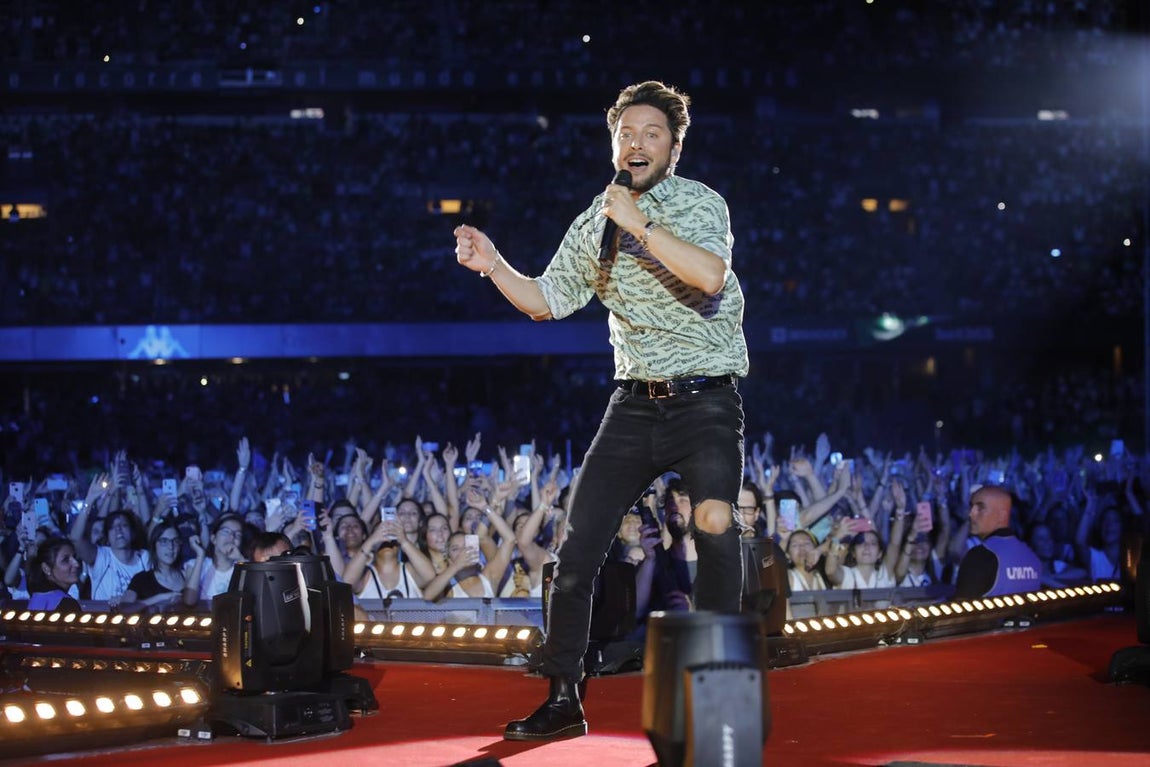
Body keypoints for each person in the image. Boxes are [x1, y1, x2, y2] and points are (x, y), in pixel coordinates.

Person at [455, 80, 748, 741]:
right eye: (625, 133)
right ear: (612, 143)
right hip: (633, 406)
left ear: (673, 144)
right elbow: (543, 300)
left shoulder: (699, 203)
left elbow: (709, 277)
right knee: (576, 548)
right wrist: (494, 264)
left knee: (717, 540)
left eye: (650, 133)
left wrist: (639, 224)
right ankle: (563, 696)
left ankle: (720, 704)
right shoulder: (597, 219)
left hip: (705, 402)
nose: (635, 143)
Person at [954, 486, 1041, 598]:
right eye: (971, 507)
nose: (971, 514)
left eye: (980, 508)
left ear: (1002, 515)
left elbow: (963, 610)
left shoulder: (980, 556)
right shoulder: (1032, 557)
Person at [28, 537, 83, 611]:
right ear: (46, 568)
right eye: (65, 560)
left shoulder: (36, 597)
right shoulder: (67, 604)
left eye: (75, 557)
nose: (76, 564)